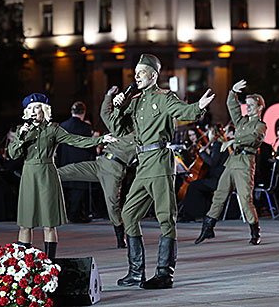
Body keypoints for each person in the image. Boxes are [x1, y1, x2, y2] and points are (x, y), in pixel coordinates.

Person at [111, 53, 214, 289]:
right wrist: (117, 107)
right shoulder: (135, 100)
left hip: (159, 160)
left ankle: (164, 274)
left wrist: (198, 106)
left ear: (153, 75)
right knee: (128, 214)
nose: (136, 76)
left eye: (141, 72)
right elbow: (118, 128)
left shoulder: (164, 97)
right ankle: (136, 272)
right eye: (135, 72)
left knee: (166, 217)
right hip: (143, 164)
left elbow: (183, 111)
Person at [8, 93, 116, 259]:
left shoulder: (54, 130)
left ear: (44, 110)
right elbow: (13, 154)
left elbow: (76, 140)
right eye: (29, 108)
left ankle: (49, 262)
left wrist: (101, 140)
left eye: (36, 107)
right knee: (25, 224)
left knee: (49, 224)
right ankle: (23, 263)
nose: (33, 111)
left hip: (47, 175)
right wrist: (21, 137)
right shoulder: (22, 130)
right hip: (29, 176)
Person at [58, 86, 137, 249]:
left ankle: (120, 237)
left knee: (112, 206)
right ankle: (35, 174)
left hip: (114, 170)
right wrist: (108, 95)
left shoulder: (140, 135)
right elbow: (105, 114)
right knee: (68, 170)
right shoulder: (118, 127)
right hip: (100, 163)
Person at [194, 79, 267, 246]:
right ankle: (208, 228)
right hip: (232, 162)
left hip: (244, 163)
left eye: (250, 105)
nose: (247, 107)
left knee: (245, 199)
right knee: (219, 196)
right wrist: (232, 92)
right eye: (246, 104)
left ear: (260, 107)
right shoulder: (242, 122)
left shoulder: (260, 125)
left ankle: (255, 231)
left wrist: (234, 141)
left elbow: (253, 138)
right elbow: (232, 107)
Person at [57, 101, 96, 223]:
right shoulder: (85, 127)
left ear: (71, 111)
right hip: (80, 163)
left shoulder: (63, 125)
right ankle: (76, 215)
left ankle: (65, 214)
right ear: (83, 112)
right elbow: (89, 145)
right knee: (78, 191)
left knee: (67, 190)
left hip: (65, 161)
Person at [181, 125, 229, 221]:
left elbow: (212, 163)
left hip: (218, 180)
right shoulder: (220, 144)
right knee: (197, 185)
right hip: (219, 177)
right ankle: (200, 213)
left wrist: (202, 153)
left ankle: (195, 214)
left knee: (193, 186)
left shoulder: (217, 144)